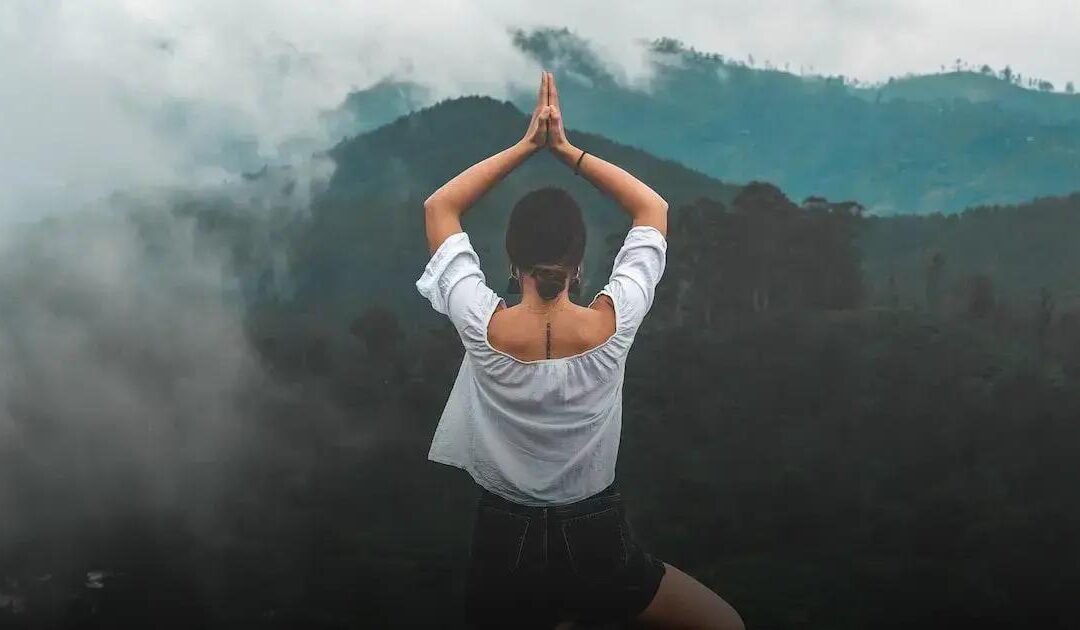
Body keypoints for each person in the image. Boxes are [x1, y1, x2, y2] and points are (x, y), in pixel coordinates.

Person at [416, 70, 744, 630]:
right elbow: (652, 210)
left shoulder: (480, 323)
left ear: (512, 262)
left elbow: (439, 209)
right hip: (596, 538)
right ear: (579, 264)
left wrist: (525, 147)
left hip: (502, 541)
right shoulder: (612, 325)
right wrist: (566, 151)